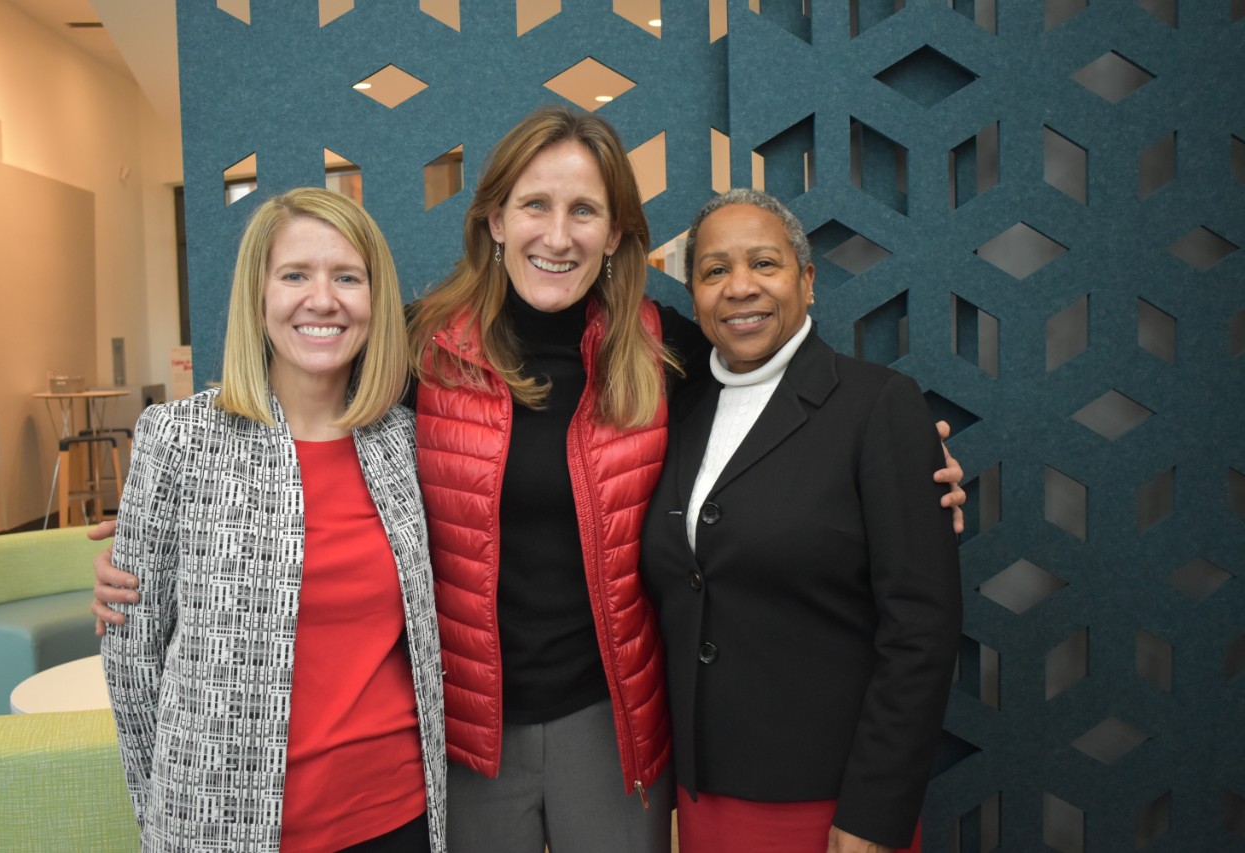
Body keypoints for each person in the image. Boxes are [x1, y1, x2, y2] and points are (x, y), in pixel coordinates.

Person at [94, 108, 965, 853]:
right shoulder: (419, 346)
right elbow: (302, 398)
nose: (558, 233)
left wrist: (904, 472)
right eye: (535, 205)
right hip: (466, 730)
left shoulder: (666, 347)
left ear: (617, 232)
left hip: (614, 724)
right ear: (496, 220)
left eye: (584, 209)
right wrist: (166, 515)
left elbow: (777, 413)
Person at [100, 188, 445, 853]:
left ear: (374, 299)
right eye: (295, 275)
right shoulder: (179, 438)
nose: (323, 299)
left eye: (348, 277)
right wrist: (165, 812)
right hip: (225, 823)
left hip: (395, 814)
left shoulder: (404, 441)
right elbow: (131, 656)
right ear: (258, 297)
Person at [638, 188, 963, 853]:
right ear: (694, 294)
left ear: (807, 280)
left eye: (764, 263)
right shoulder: (677, 409)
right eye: (714, 271)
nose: (740, 287)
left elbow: (921, 630)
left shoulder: (878, 406)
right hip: (707, 796)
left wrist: (876, 811)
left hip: (833, 800)